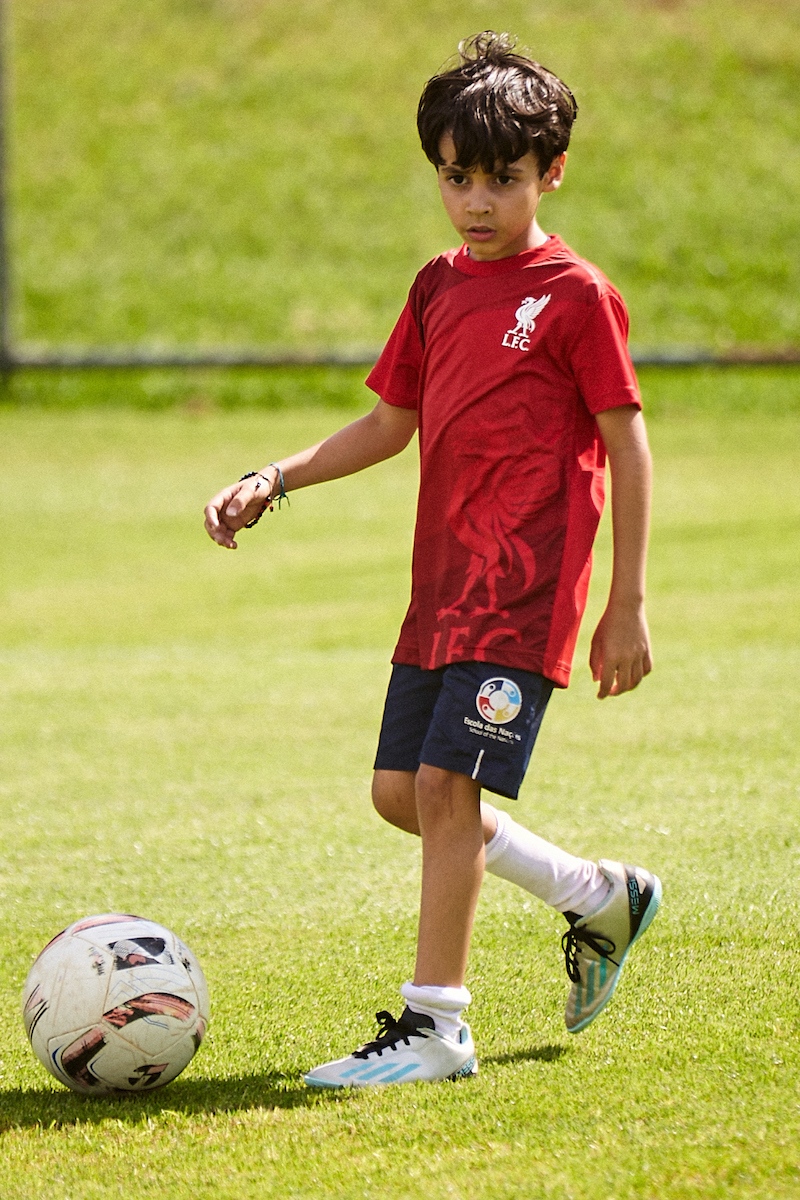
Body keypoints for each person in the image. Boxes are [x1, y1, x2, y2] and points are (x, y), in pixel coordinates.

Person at [204, 31, 661, 1088]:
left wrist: (625, 602)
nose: (475, 202)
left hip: (524, 589)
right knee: (399, 794)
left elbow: (627, 443)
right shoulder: (435, 288)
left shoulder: (574, 295)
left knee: (446, 784)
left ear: (550, 172)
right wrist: (274, 476)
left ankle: (434, 1026)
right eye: (455, 178)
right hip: (442, 590)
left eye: (501, 179)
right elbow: (385, 425)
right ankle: (598, 897)